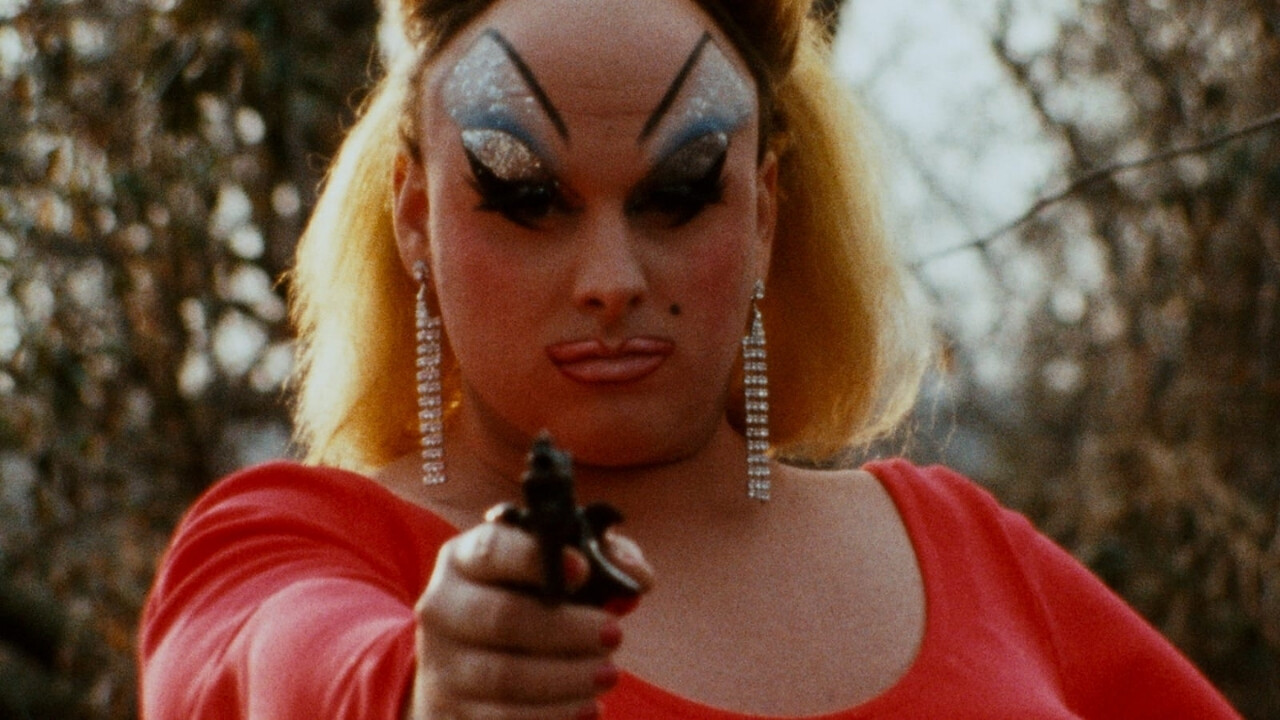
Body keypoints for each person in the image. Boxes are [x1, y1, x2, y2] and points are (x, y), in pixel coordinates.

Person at [138, 0, 1243, 717]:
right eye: (525, 199)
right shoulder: (286, 547)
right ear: (415, 215)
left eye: (678, 195)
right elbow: (273, 659)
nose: (611, 277)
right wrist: (413, 683)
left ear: (762, 212)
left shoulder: (967, 550)